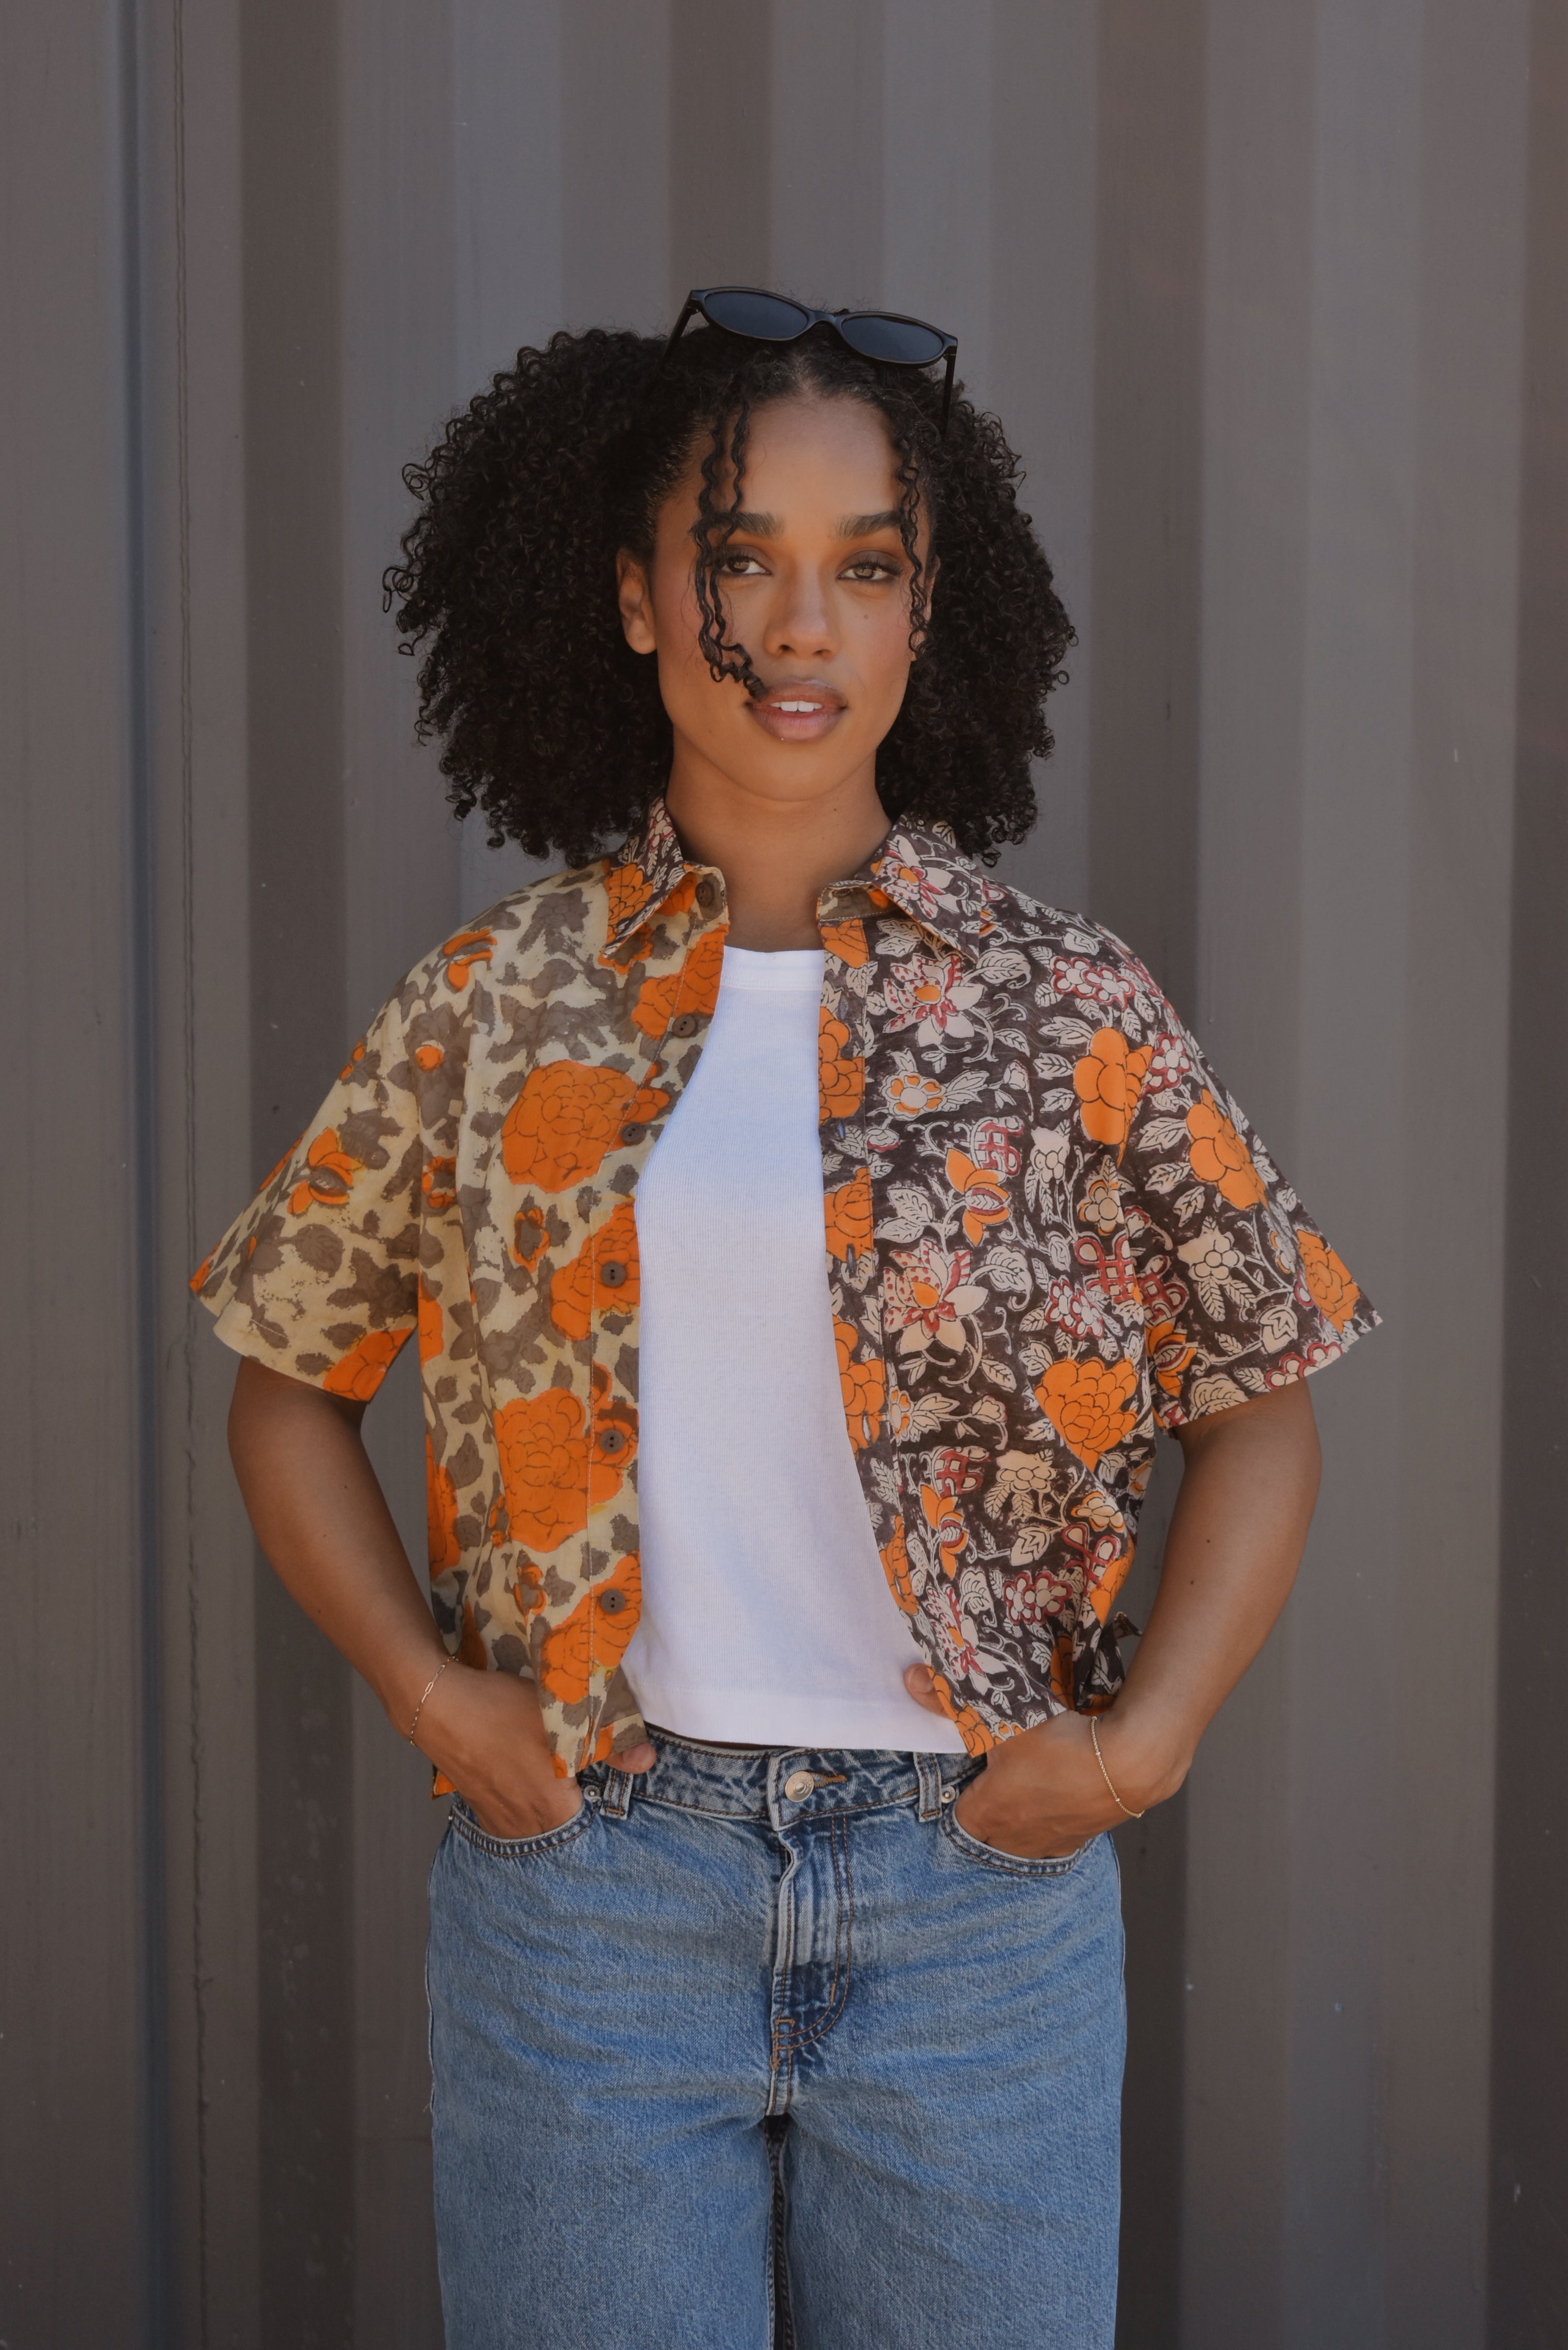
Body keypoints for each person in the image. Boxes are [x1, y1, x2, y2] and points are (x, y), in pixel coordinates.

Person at [198, 289, 1376, 2348]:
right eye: (740, 560)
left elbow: (1263, 1396)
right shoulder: (496, 1003)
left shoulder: (1064, 1009)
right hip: (593, 1897)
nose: (805, 625)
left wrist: (1145, 1745)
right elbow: (286, 1384)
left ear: (930, 609)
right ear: (636, 596)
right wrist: (430, 1694)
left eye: (868, 566)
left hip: (977, 1905)